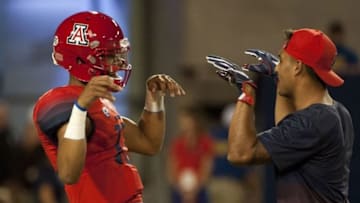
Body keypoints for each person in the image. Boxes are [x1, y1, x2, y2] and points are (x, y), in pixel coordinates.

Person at [33, 11, 186, 203]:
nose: (117, 62)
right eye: (109, 55)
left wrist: (154, 98)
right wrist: (80, 108)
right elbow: (69, 174)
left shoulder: (100, 102)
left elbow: (148, 143)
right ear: (82, 59)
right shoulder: (62, 103)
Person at [206, 28, 354, 202]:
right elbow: (286, 129)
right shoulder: (337, 112)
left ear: (297, 67)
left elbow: (240, 153)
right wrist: (280, 78)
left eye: (282, 61)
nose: (277, 68)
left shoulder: (317, 120)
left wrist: (246, 92)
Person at [166, 106, 214, 203]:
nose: (182, 123)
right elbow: (171, 168)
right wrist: (182, 190)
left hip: (199, 190)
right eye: (181, 120)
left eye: (185, 119)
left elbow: (206, 168)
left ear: (194, 121)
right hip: (179, 190)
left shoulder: (205, 142)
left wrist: (194, 191)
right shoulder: (177, 143)